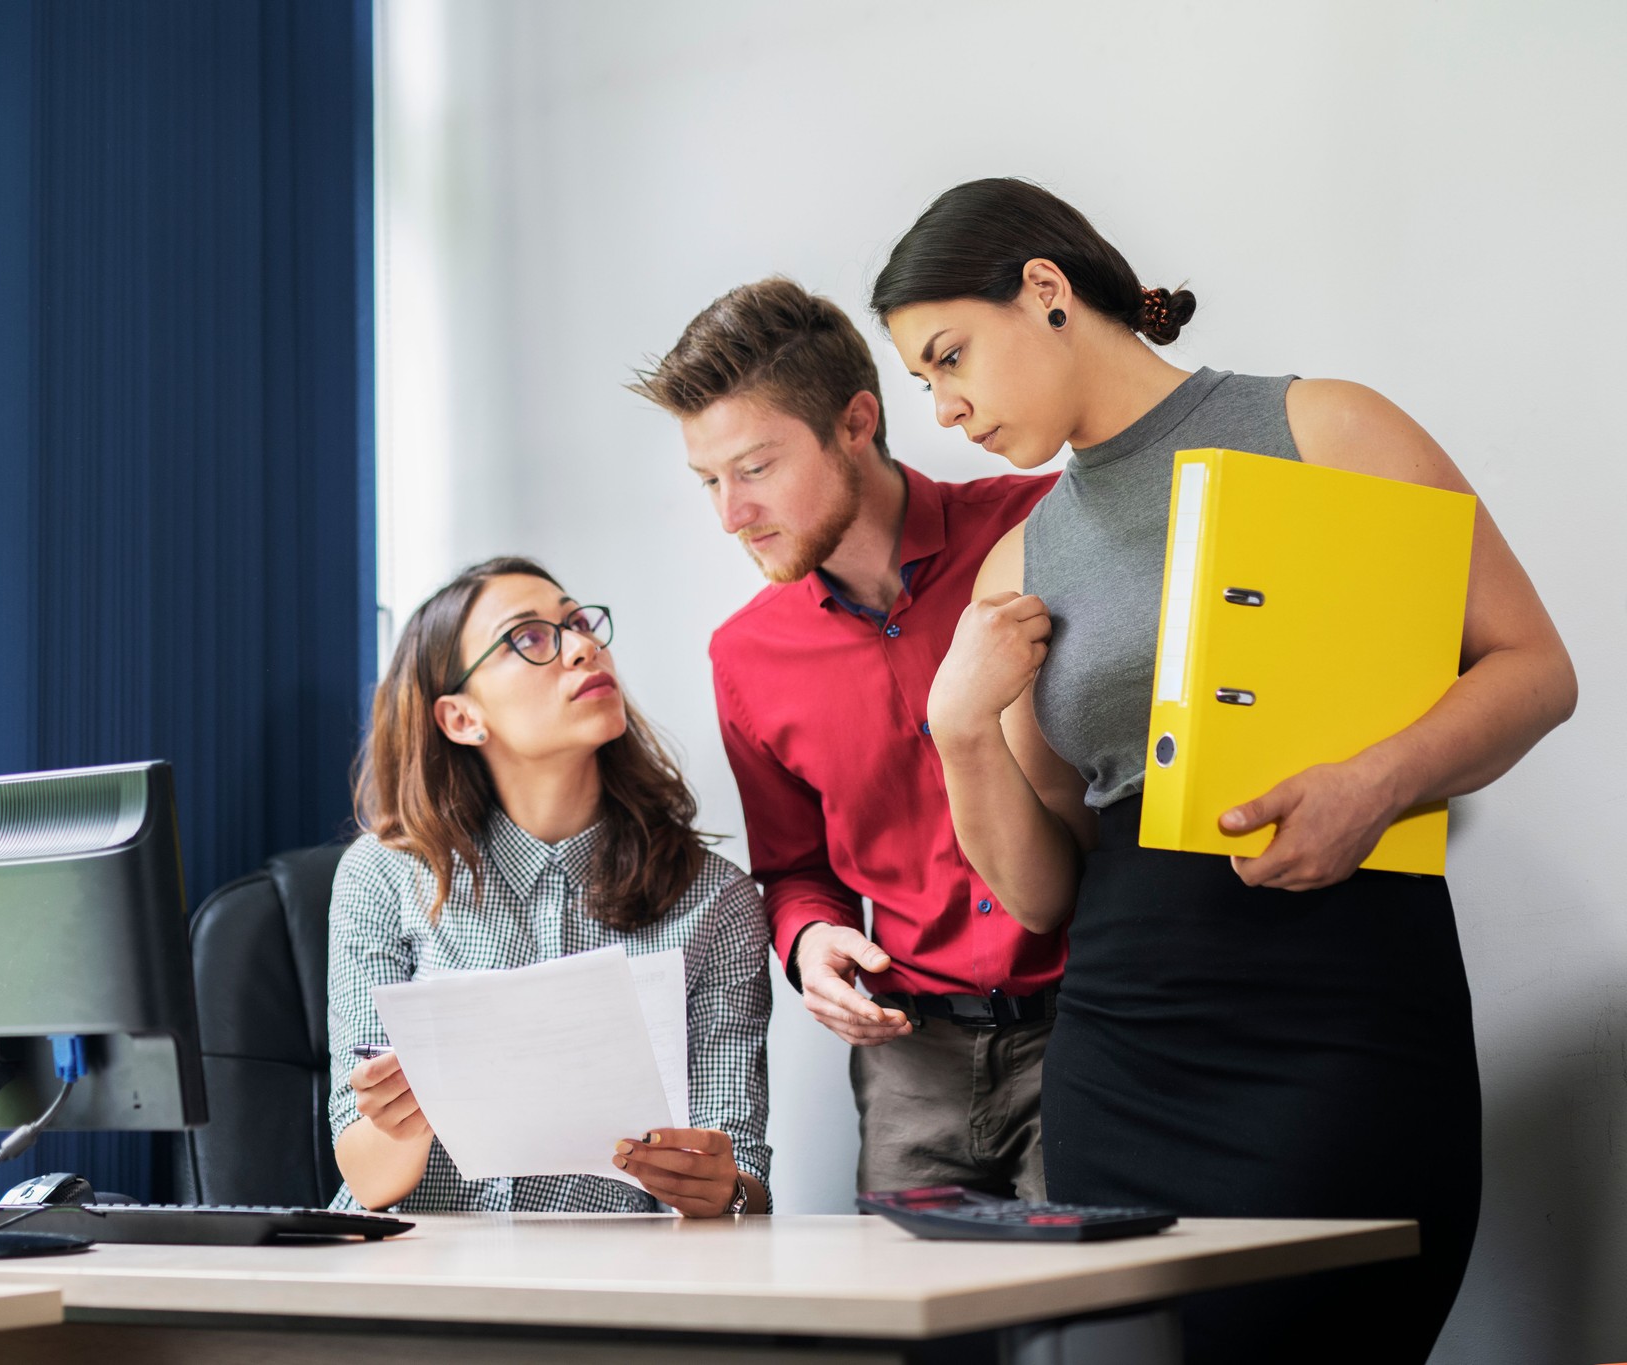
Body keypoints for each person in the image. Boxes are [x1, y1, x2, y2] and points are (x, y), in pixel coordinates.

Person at [868, 177, 1577, 1362]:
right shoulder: (1015, 568)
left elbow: (1533, 670)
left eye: (950, 358)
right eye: (924, 385)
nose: (945, 408)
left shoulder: (1326, 427)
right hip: (1127, 1046)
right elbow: (1049, 892)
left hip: (1344, 1014)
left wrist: (1377, 781)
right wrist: (954, 728)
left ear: (1045, 291)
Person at [631, 279, 1059, 1200]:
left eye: (754, 468)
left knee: (1093, 1335)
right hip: (911, 1069)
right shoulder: (745, 655)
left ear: (857, 420)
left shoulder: (1045, 528)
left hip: (1090, 1031)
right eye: (709, 480)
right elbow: (794, 868)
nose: (729, 515)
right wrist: (812, 937)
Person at [325, 556, 772, 1217]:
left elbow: (744, 1179)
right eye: (529, 638)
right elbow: (366, 1179)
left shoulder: (716, 900)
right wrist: (405, 1115)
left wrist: (722, 1187)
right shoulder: (382, 875)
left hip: (612, 1288)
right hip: (413, 1271)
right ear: (460, 718)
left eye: (579, 624)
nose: (584, 646)